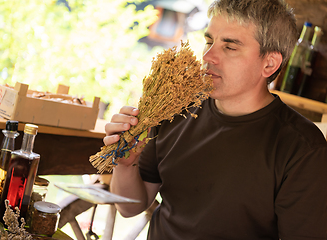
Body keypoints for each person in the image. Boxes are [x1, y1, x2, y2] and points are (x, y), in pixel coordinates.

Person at [103, 0, 327, 239]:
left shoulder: (303, 149)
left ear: (269, 63)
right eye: (209, 42)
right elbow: (129, 207)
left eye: (230, 47)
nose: (209, 56)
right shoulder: (175, 109)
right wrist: (125, 165)